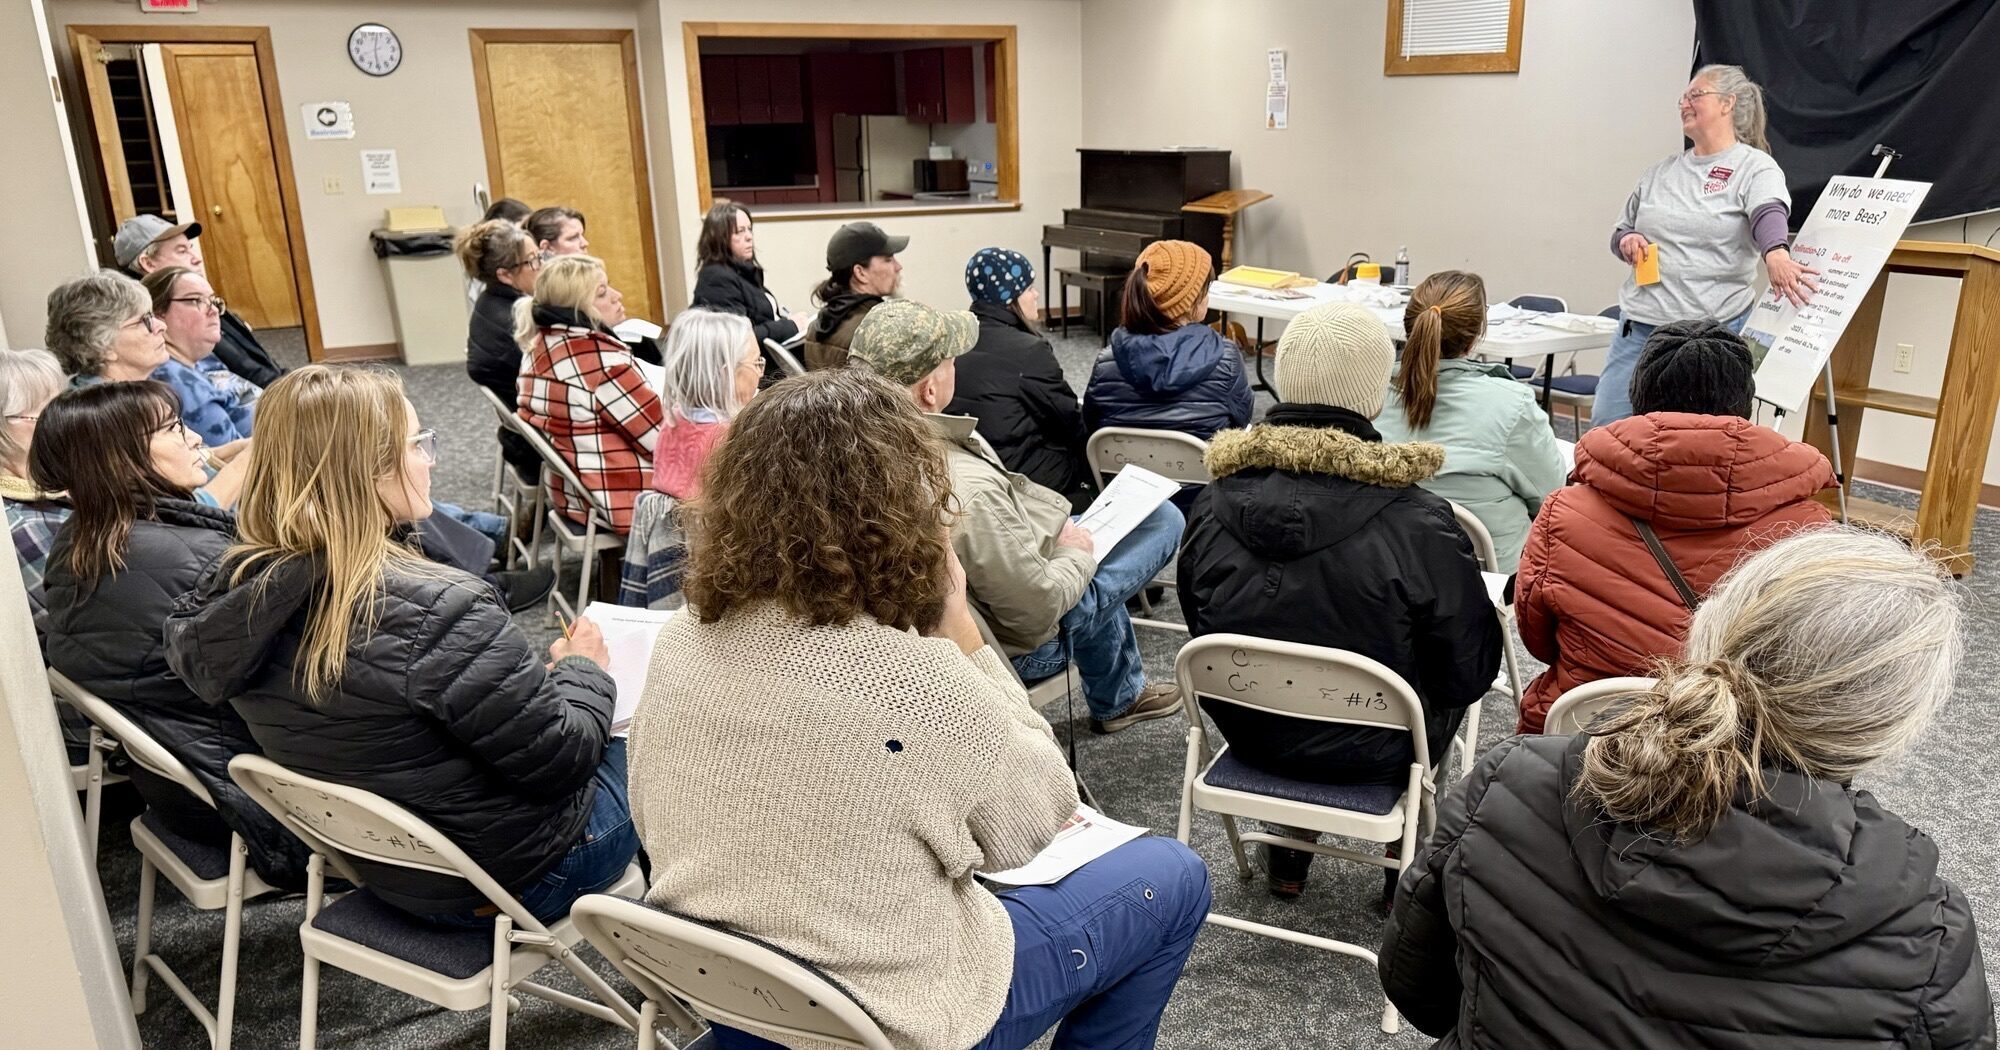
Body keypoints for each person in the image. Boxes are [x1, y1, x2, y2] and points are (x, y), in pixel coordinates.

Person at [627, 367, 1210, 1050]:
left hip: (735, 990)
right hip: (896, 1015)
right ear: (907, 504)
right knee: (1175, 878)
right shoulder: (914, 681)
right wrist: (961, 632)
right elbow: (1040, 819)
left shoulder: (678, 640)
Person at [1380, 528, 1992, 1049]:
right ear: (1888, 725)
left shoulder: (1508, 784)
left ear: (1716, 627)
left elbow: (1421, 994)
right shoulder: (1923, 935)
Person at [164, 365, 634, 924]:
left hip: (393, 871)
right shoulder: (441, 609)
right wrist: (583, 670)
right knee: (673, 729)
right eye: (418, 444)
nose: (431, 459)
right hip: (519, 877)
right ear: (369, 472)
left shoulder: (233, 590)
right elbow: (563, 763)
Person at [1177, 301, 1501, 898]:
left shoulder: (1210, 505)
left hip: (1248, 730)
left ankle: (1288, 857)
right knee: (1432, 684)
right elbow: (1470, 671)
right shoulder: (1422, 523)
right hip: (1377, 751)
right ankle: (1396, 866)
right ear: (1376, 397)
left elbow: (1201, 626)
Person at [848, 299, 1184, 734]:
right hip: (1012, 646)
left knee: (1082, 543)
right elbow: (1036, 610)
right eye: (951, 361)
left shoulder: (845, 452)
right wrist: (1075, 557)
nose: (958, 368)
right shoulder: (962, 485)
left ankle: (1121, 696)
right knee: (1161, 522)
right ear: (929, 390)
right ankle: (1119, 699)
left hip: (904, 641)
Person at [33, 381, 310, 889]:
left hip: (177, 787)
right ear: (120, 460)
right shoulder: (199, 561)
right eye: (172, 428)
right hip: (256, 799)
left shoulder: (78, 540)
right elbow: (312, 686)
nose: (193, 438)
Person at [1514, 321, 1834, 733]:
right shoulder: (1808, 531)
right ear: (1745, 403)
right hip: (1737, 758)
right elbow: (1808, 668)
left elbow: (1537, 638)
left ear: (1638, 399)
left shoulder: (1565, 512)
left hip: (1588, 744)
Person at [1594, 65, 1817, 427]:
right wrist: (1627, 241)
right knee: (1609, 425)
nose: (1684, 102)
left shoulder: (1755, 168)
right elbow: (1622, 229)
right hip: (1641, 329)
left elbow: (1767, 211)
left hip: (1709, 336)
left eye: (1695, 95)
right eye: (1682, 97)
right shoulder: (1659, 173)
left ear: (1728, 103)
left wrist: (1776, 252)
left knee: (1696, 437)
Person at [1373, 270, 1565, 570]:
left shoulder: (1370, 396)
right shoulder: (1512, 405)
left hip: (1386, 568)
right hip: (1488, 581)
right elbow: (1551, 498)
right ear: (1475, 337)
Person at [516, 254, 664, 533]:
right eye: (602, 292)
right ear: (578, 308)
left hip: (573, 493)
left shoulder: (537, 348)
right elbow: (662, 443)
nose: (617, 296)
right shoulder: (602, 364)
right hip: (622, 497)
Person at [949, 247, 1095, 511]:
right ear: (1009, 298)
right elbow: (1069, 421)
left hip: (972, 471)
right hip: (1022, 479)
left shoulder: (955, 339)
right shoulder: (1029, 351)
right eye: (1029, 288)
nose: (1036, 294)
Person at [1084, 240, 1253, 448]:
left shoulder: (1106, 362)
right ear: (1189, 300)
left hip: (1125, 476)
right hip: (1204, 479)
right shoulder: (1226, 358)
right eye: (1206, 288)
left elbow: (1091, 425)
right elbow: (1241, 421)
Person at [115, 214, 286, 390]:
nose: (196, 258)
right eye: (182, 251)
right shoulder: (171, 317)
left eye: (190, 248)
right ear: (148, 263)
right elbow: (248, 378)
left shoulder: (197, 296)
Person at [456, 218, 544, 481]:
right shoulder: (518, 324)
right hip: (536, 448)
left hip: (520, 436)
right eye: (532, 261)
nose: (541, 266)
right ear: (505, 275)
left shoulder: (489, 303)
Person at [649, 307, 758, 501]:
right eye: (756, 363)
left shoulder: (673, 421)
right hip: (707, 530)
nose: (761, 373)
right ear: (727, 374)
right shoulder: (729, 439)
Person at [141, 266, 254, 447]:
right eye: (196, 300)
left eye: (214, 301)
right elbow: (239, 460)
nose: (214, 310)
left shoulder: (202, 358)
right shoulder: (177, 382)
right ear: (158, 314)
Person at [1, 348, 71, 620]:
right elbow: (80, 625)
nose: (65, 421)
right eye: (48, 413)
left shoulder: (61, 480)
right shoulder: (20, 527)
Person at [689, 200, 808, 349]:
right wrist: (790, 326)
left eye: (749, 229)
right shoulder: (716, 279)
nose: (749, 236)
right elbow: (741, 338)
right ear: (719, 239)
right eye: (740, 231)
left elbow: (761, 318)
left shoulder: (743, 271)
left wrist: (788, 321)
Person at [803, 221, 907, 370]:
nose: (898, 267)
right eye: (888, 259)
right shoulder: (880, 331)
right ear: (860, 272)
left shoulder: (817, 326)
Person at [46, 270, 170, 386]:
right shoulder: (95, 407)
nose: (162, 326)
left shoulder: (139, 396)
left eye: (151, 315)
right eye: (144, 321)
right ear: (102, 347)